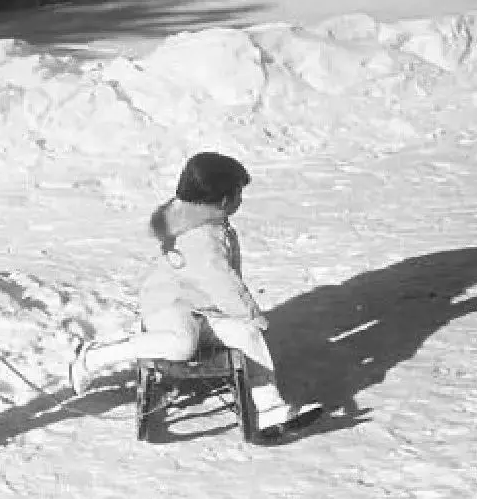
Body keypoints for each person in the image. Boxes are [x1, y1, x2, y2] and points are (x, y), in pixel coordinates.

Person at [67, 152, 322, 442]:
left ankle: (271, 408)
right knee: (181, 344)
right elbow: (222, 282)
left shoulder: (209, 222)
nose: (240, 199)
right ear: (225, 199)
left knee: (246, 334)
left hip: (206, 309)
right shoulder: (199, 236)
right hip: (169, 306)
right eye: (239, 193)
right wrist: (249, 312)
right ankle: (94, 356)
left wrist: (246, 322)